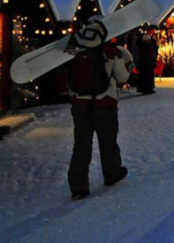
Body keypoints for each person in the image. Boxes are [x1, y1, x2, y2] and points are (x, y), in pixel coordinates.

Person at [67, 42, 132, 200]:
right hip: (105, 103)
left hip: (80, 105)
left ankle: (78, 187)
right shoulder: (110, 51)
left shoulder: (75, 48)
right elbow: (123, 77)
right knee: (108, 141)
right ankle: (112, 174)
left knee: (81, 145)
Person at [136, 28, 158, 95]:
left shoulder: (142, 47)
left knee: (145, 77)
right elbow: (150, 55)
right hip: (148, 64)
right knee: (148, 77)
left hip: (145, 64)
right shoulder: (147, 47)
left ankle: (146, 88)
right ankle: (148, 89)